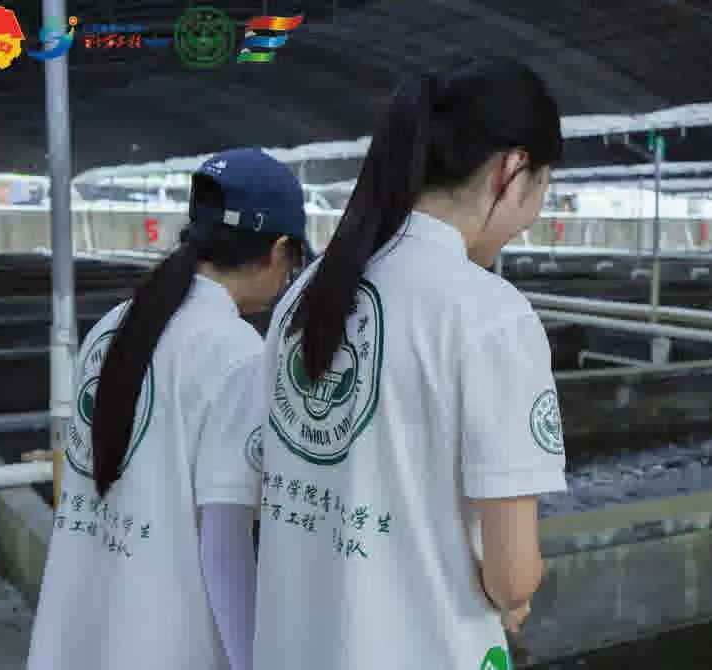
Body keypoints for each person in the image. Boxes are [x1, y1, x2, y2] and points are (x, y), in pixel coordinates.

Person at [251, 59, 567, 670]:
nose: (530, 218)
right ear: (512, 170)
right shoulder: (490, 314)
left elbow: (273, 491)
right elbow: (512, 576)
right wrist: (515, 593)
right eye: (542, 189)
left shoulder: (305, 294)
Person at [26, 148, 311, 670]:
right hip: (168, 645)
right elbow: (224, 545)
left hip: (77, 639)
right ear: (280, 251)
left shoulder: (115, 324)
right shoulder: (234, 350)